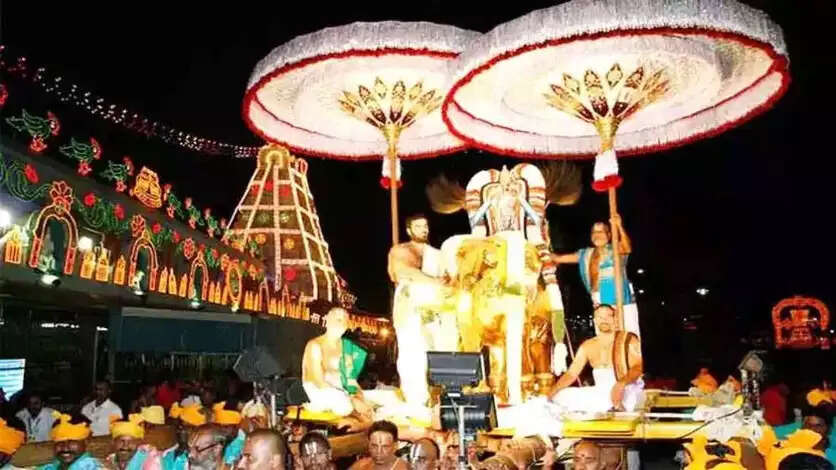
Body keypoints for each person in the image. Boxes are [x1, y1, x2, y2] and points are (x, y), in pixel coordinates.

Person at [387, 214, 450, 411]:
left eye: (425, 226)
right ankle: (415, 400)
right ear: (409, 230)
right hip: (409, 307)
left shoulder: (437, 254)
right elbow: (401, 271)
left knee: (438, 349)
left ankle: (438, 399)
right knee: (411, 352)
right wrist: (434, 281)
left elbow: (448, 278)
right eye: (418, 226)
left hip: (435, 307)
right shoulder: (401, 250)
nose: (423, 229)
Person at [552, 217, 639, 336]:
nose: (597, 235)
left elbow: (627, 247)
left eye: (601, 231)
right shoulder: (586, 254)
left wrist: (619, 226)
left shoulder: (615, 249)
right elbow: (558, 258)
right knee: (605, 338)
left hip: (621, 302)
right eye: (594, 232)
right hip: (598, 301)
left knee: (628, 337)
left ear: (609, 235)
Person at [550, 304, 643, 412]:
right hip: (600, 392)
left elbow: (638, 366)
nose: (604, 320)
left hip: (626, 389)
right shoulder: (587, 345)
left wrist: (621, 384)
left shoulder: (628, 340)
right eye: (600, 317)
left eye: (608, 316)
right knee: (560, 396)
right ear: (595, 320)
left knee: (626, 399)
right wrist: (552, 392)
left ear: (615, 319)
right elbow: (571, 374)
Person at [301, 308, 370, 422]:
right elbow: (318, 382)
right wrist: (351, 399)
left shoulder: (347, 348)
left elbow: (351, 380)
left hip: (344, 392)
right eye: (337, 319)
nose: (341, 323)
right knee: (344, 404)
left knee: (374, 399)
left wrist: (358, 396)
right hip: (322, 391)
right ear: (327, 320)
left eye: (344, 320)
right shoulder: (315, 345)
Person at [775, 398, 835, 465]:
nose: (811, 429)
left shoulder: (832, 454)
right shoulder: (787, 443)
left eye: (818, 426)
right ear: (802, 426)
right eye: (808, 425)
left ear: (828, 429)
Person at [212, 402, 245, 468]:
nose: (222, 430)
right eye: (219, 426)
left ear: (236, 427)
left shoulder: (244, 445)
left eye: (226, 427)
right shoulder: (218, 440)